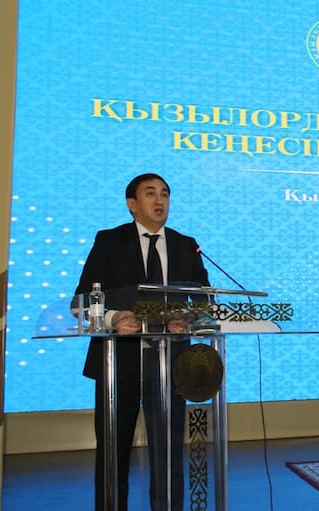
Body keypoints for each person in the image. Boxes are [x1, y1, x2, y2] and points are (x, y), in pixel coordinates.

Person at [74, 173, 209, 510]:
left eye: (164, 193)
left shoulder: (186, 244)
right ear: (132, 204)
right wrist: (112, 318)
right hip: (118, 363)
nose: (159, 200)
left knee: (168, 455)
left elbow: (205, 303)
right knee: (113, 453)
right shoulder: (110, 241)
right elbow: (81, 301)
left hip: (170, 365)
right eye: (150, 193)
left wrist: (189, 318)